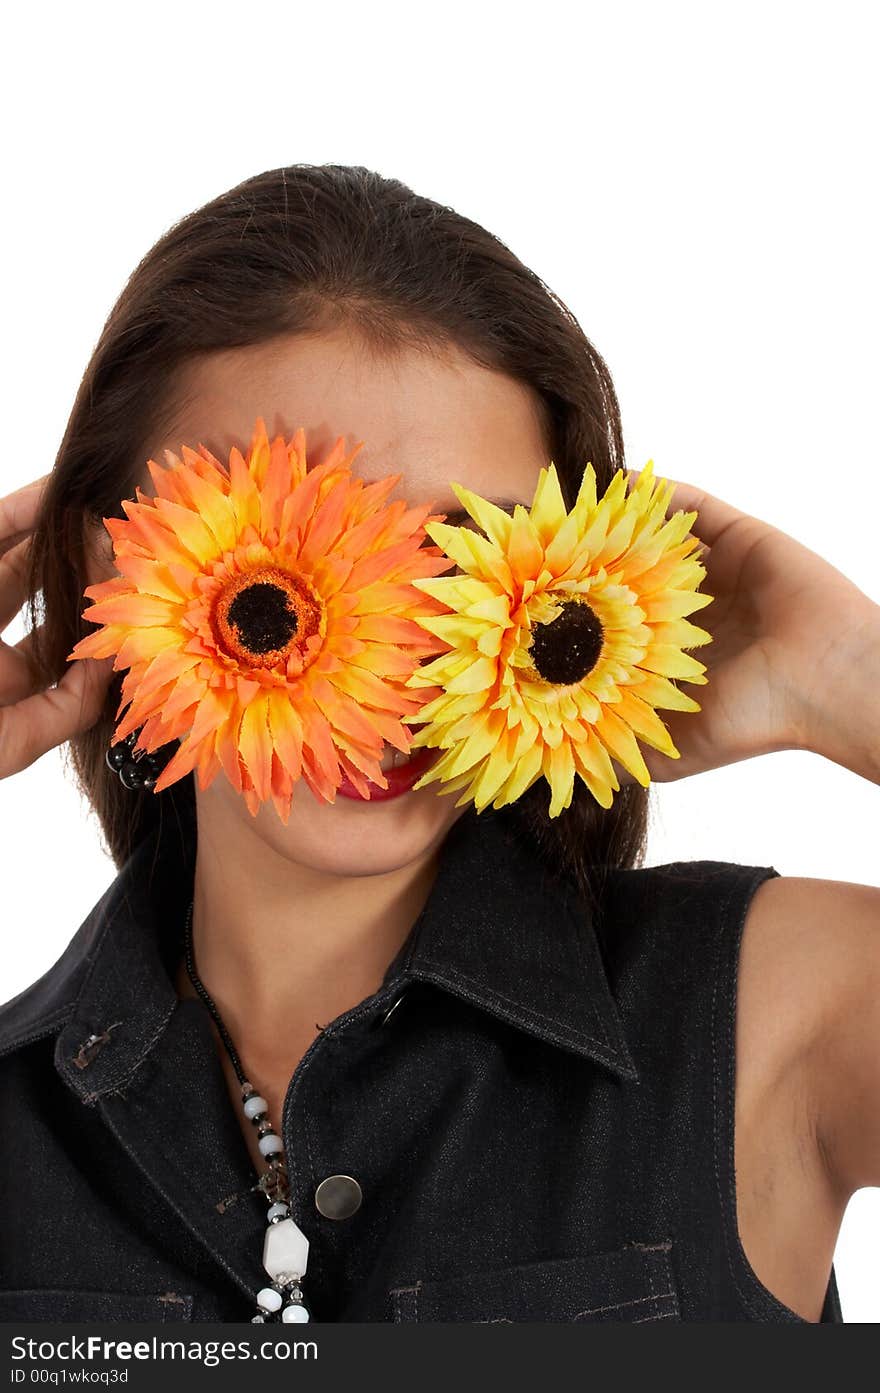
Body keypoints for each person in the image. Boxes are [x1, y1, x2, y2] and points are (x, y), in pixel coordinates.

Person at [0, 164, 877, 1325]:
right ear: (113, 569)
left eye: (470, 563)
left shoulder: (771, 1011)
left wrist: (849, 681)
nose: (401, 668)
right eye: (296, 562)